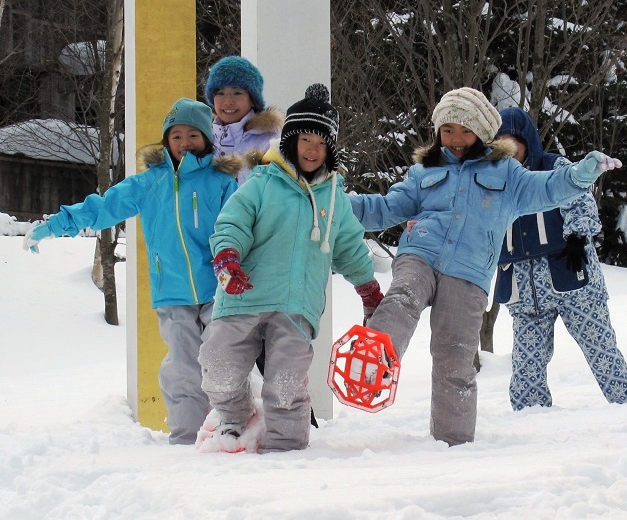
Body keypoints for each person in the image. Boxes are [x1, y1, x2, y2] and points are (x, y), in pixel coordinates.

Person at [349, 87, 622, 446]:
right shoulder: (423, 171)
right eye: (448, 130)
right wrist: (340, 205)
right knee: (402, 297)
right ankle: (373, 362)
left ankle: (453, 442)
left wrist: (581, 174)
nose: (456, 139)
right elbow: (385, 208)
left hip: (469, 271)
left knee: (455, 354)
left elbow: (549, 187)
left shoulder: (507, 173)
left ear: (482, 132)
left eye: (465, 130)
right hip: (421, 252)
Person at [22, 98, 242, 445]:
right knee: (183, 369)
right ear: (166, 141)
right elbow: (105, 206)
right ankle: (187, 440)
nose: (185, 142)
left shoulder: (222, 181)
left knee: (223, 358)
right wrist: (56, 225)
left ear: (207, 139)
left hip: (219, 290)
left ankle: (232, 429)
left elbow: (244, 224)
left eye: (193, 135)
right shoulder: (148, 183)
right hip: (172, 292)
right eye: (177, 135)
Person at [198, 84, 384, 453]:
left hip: (297, 306)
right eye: (305, 140)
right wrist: (227, 259)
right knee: (217, 361)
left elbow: (349, 246)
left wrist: (367, 286)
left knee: (286, 382)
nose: (312, 150)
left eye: (321, 142)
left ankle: (288, 448)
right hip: (244, 294)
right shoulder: (262, 184)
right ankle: (234, 418)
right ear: (290, 143)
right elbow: (231, 223)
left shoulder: (335, 198)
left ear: (330, 149)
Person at [493, 106, 627, 410]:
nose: (506, 151)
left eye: (511, 142)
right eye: (498, 143)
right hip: (523, 288)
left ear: (525, 141)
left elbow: (579, 197)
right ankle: (531, 418)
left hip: (571, 276)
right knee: (526, 364)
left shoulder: (552, 166)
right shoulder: (491, 182)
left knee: (600, 348)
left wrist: (576, 237)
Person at [204, 55, 284, 185]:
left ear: (252, 99)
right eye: (220, 93)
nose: (228, 101)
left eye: (237, 93)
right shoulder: (202, 140)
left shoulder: (271, 143)